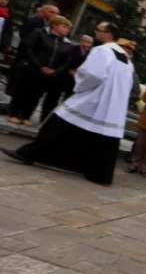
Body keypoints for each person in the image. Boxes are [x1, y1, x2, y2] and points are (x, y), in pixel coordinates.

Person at [2, 22, 132, 185]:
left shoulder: (102, 51)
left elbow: (93, 75)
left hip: (92, 99)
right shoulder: (126, 59)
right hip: (111, 106)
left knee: (56, 122)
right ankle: (97, 172)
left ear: (108, 34)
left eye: (98, 30)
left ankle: (29, 154)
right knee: (94, 136)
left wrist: (79, 85)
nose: (95, 32)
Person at [7, 15, 72, 126]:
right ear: (54, 25)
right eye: (64, 26)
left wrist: (55, 71)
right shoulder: (39, 33)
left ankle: (26, 116)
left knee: (35, 96)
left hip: (47, 74)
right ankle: (14, 114)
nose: (67, 30)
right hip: (30, 69)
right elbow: (27, 49)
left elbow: (67, 62)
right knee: (21, 92)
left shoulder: (67, 43)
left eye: (68, 28)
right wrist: (39, 66)